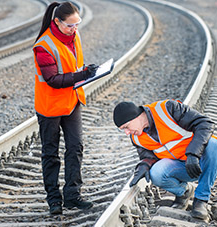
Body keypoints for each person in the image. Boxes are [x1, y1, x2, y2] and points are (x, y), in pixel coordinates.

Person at [33, 1, 98, 215]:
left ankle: (72, 196)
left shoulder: (74, 36)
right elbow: (52, 79)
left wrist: (86, 72)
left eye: (77, 24)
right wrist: (83, 75)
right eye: (70, 25)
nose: (75, 28)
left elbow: (74, 65)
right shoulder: (43, 46)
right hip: (50, 107)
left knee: (76, 147)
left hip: (71, 102)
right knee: (50, 154)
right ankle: (54, 200)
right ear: (57, 22)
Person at [113, 99, 217, 220]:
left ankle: (201, 201)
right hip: (183, 168)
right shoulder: (136, 138)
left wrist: (193, 154)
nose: (127, 132)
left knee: (213, 144)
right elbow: (148, 156)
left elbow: (205, 124)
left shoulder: (167, 109)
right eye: (123, 130)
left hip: (202, 161)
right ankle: (184, 193)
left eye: (126, 127)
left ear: (136, 116)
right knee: (156, 173)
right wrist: (144, 165)